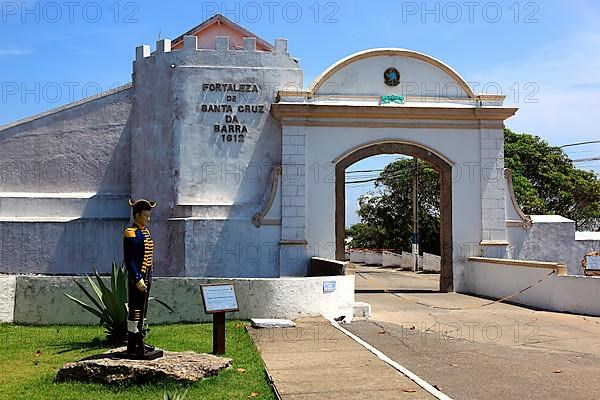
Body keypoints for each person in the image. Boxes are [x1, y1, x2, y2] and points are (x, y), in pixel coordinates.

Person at [123, 198, 162, 358]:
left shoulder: (145, 232)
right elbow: (129, 259)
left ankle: (139, 339)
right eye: (146, 216)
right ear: (137, 215)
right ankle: (133, 341)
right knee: (135, 309)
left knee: (143, 308)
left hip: (147, 275)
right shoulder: (130, 233)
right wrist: (137, 278)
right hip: (137, 277)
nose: (148, 219)